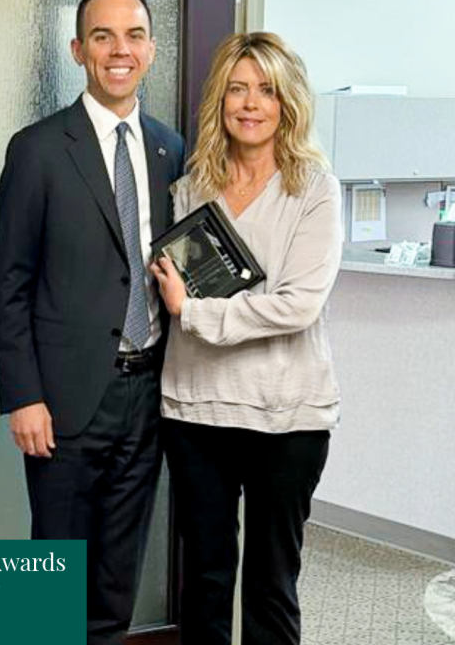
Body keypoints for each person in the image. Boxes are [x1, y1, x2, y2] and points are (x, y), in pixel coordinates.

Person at [0, 0, 184, 644]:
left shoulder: (169, 149)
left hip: (147, 395)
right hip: (65, 404)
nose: (118, 50)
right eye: (102, 36)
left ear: (151, 50)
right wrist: (23, 397)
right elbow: (8, 281)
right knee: (55, 577)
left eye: (133, 36)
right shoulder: (39, 149)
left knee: (114, 581)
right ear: (78, 49)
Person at [151, 32, 342, 645]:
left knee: (270, 584)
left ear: (288, 102)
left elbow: (299, 305)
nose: (250, 103)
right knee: (204, 582)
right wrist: (180, 310)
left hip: (287, 418)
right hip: (195, 408)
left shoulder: (315, 188)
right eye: (237, 89)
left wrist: (194, 313)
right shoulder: (190, 188)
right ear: (221, 102)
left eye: (265, 90)